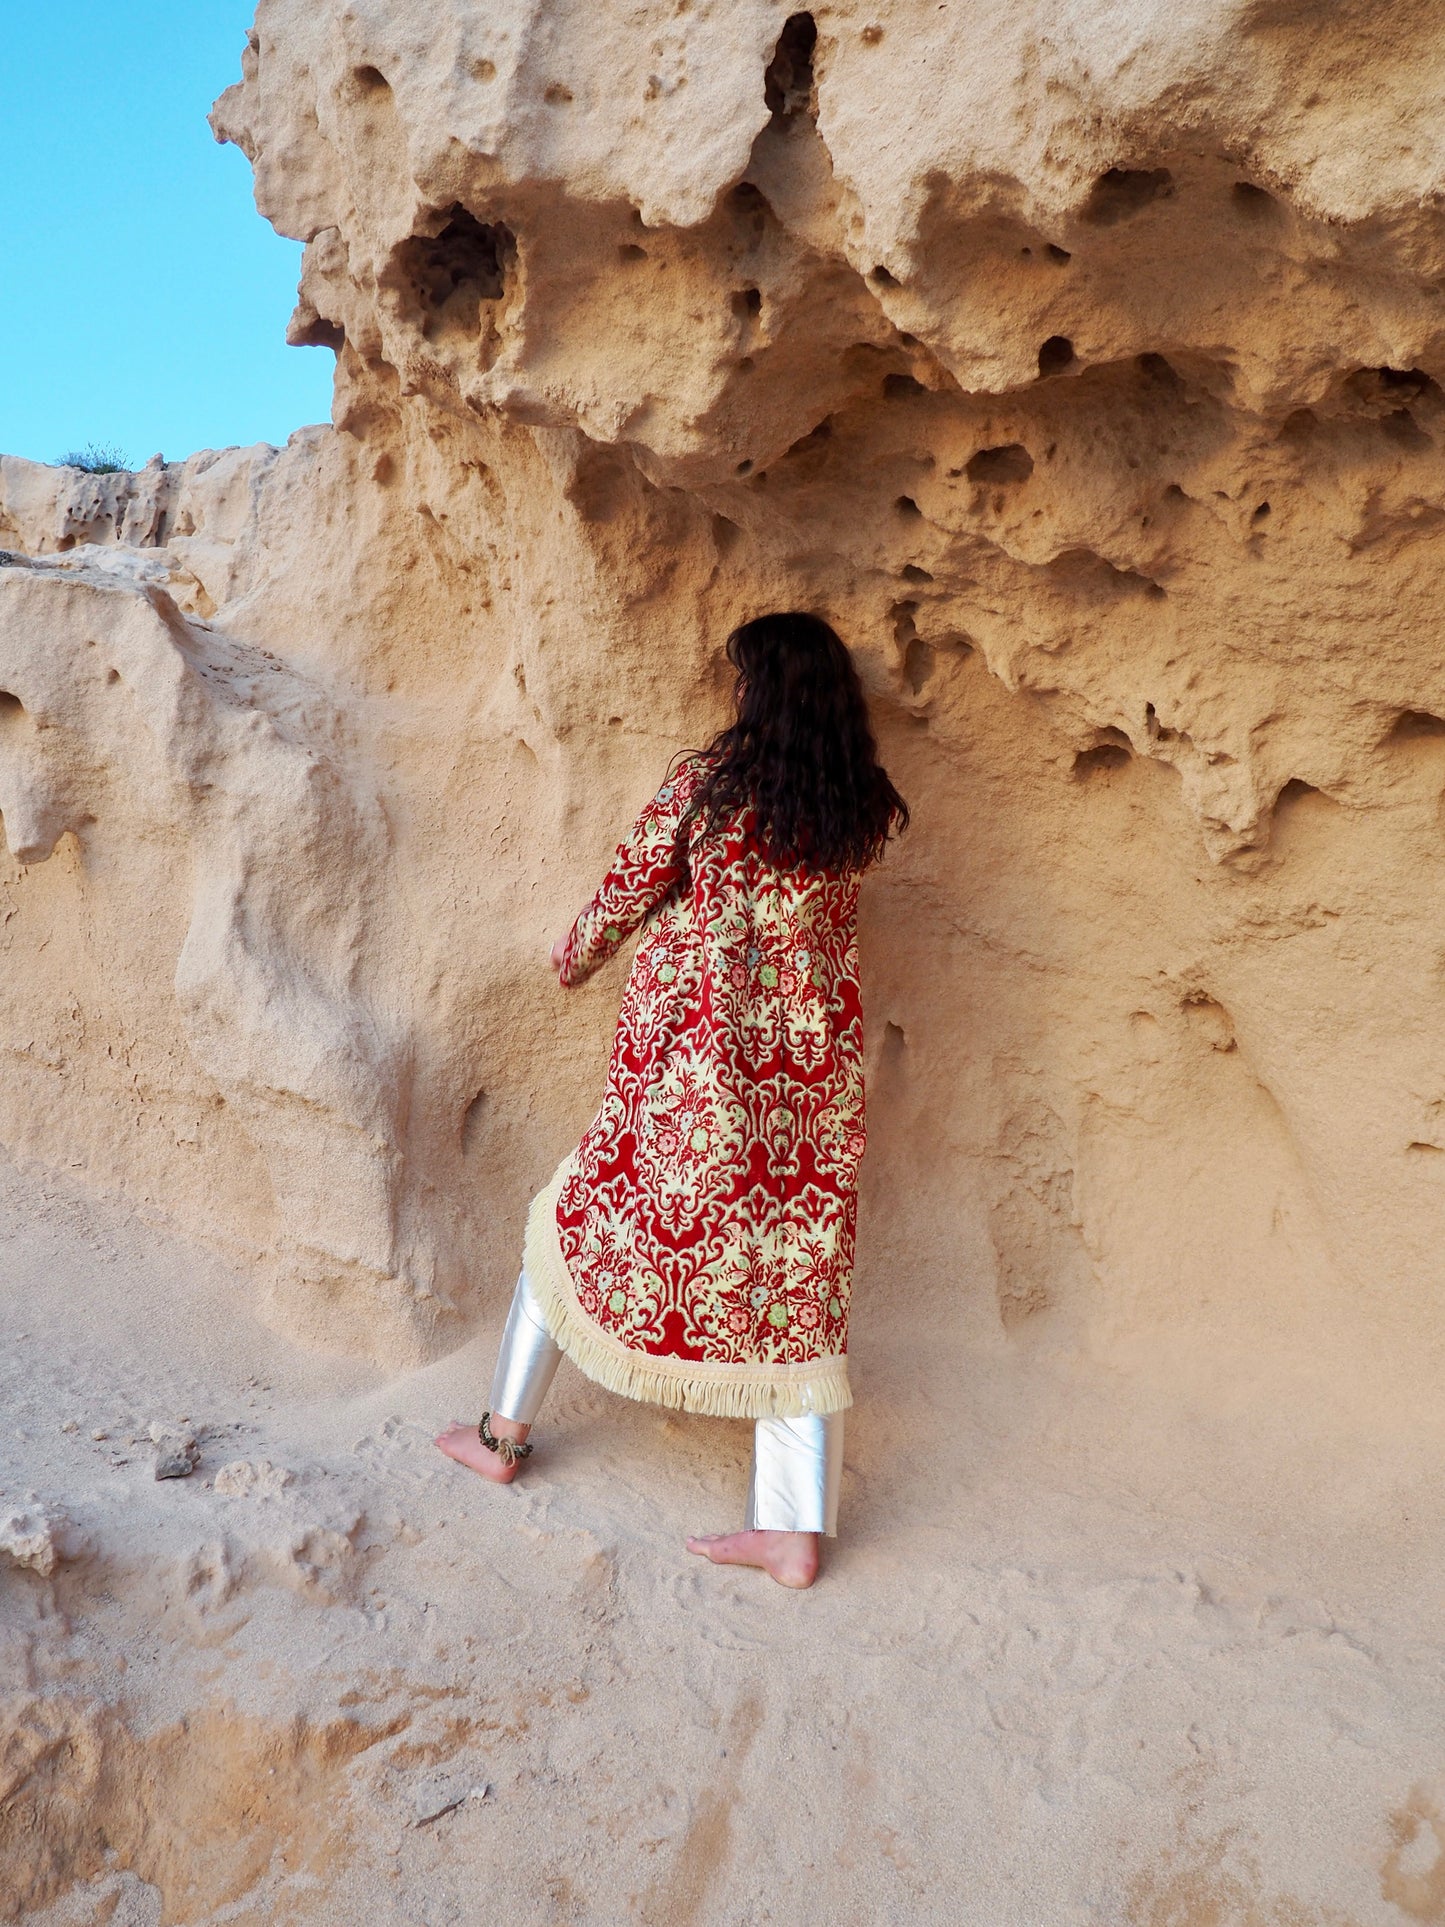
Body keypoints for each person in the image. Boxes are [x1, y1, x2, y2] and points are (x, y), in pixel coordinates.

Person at [437, 610, 908, 1588]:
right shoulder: (854, 806)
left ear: (759, 693)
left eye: (742, 680)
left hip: (690, 1069)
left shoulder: (706, 789)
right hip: (808, 1083)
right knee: (793, 1280)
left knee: (571, 1220)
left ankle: (501, 1435)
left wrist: (569, 962)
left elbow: (625, 888)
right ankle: (790, 1531)